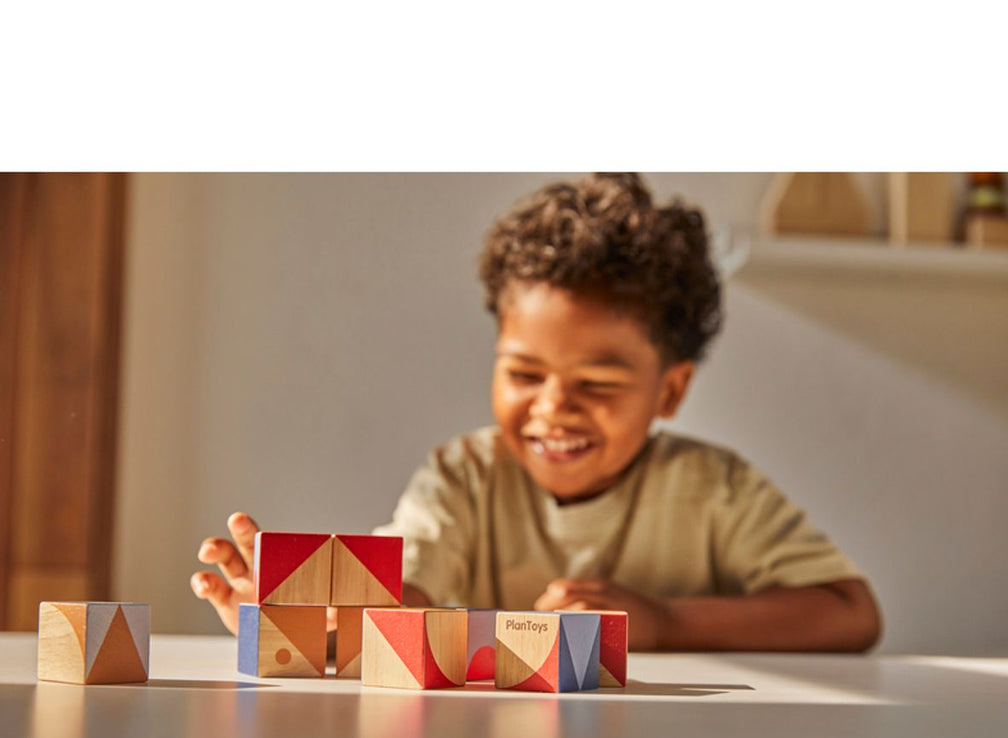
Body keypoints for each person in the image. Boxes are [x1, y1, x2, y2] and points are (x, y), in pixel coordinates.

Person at [191, 173, 882, 651]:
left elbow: (851, 614)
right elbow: (405, 594)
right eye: (524, 373)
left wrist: (664, 622)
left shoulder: (714, 489)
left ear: (669, 392)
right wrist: (311, 605)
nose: (553, 408)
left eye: (599, 383)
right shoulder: (463, 476)